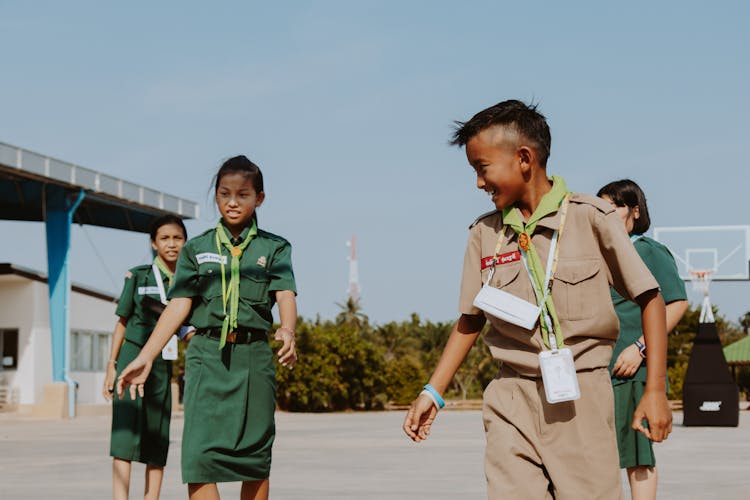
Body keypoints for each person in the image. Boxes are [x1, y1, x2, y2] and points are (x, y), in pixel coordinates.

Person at [403, 100, 673, 499]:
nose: (479, 183)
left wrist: (655, 391)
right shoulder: (484, 234)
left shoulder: (590, 218)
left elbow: (651, 299)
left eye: (482, 168)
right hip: (511, 399)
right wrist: (433, 392)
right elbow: (470, 320)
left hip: (581, 397)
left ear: (524, 159)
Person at [117, 155, 297, 500]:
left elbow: (285, 293)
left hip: (253, 358)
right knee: (199, 455)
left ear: (259, 198)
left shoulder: (274, 247)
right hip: (206, 357)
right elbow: (179, 304)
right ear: (215, 196)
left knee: (254, 458)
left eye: (243, 194)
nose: (232, 202)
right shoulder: (196, 249)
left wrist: (287, 329)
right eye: (224, 193)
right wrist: (147, 356)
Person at [598, 179, 688, 500]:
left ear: (635, 211)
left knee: (638, 459)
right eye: (602, 207)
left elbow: (676, 303)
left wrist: (640, 349)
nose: (608, 213)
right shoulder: (601, 256)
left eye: (616, 205)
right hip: (599, 371)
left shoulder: (648, 251)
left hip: (632, 372)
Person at [103, 214, 189, 500]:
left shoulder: (190, 282)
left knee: (157, 437)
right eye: (164, 238)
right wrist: (111, 366)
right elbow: (122, 322)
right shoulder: (138, 275)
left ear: (185, 242)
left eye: (177, 238)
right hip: (130, 359)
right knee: (124, 436)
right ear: (154, 244)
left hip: (163, 365)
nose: (172, 244)